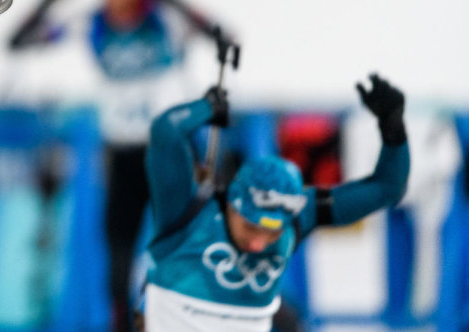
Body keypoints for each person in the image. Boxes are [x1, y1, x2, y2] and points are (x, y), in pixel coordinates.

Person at [8, 0, 222, 331]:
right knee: (119, 259)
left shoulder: (164, 20)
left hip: (171, 152)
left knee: (188, 247)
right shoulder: (92, 23)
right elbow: (19, 42)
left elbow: (218, 33)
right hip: (123, 155)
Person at [139, 74, 410, 332]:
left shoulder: (300, 214)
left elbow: (387, 189)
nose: (258, 244)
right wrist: (207, 107)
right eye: (251, 227)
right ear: (232, 203)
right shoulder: (184, 213)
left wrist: (393, 128)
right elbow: (167, 132)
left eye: (273, 232)